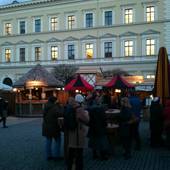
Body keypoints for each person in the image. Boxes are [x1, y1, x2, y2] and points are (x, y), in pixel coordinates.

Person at [66, 94, 89, 170]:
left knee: (71, 152)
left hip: (71, 132)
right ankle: (79, 167)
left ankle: (70, 166)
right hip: (78, 133)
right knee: (79, 153)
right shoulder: (79, 109)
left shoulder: (69, 108)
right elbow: (86, 120)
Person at [87, 95, 109, 160]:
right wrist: (105, 125)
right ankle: (103, 156)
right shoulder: (101, 109)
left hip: (93, 128)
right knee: (102, 142)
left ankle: (95, 154)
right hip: (100, 128)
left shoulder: (90, 109)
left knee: (94, 141)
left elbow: (89, 119)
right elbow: (104, 119)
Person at [42, 96, 64, 160]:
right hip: (54, 126)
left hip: (46, 126)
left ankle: (48, 155)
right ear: (54, 101)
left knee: (48, 141)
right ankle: (57, 155)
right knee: (58, 141)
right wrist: (61, 107)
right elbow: (61, 114)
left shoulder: (46, 106)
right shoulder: (54, 107)